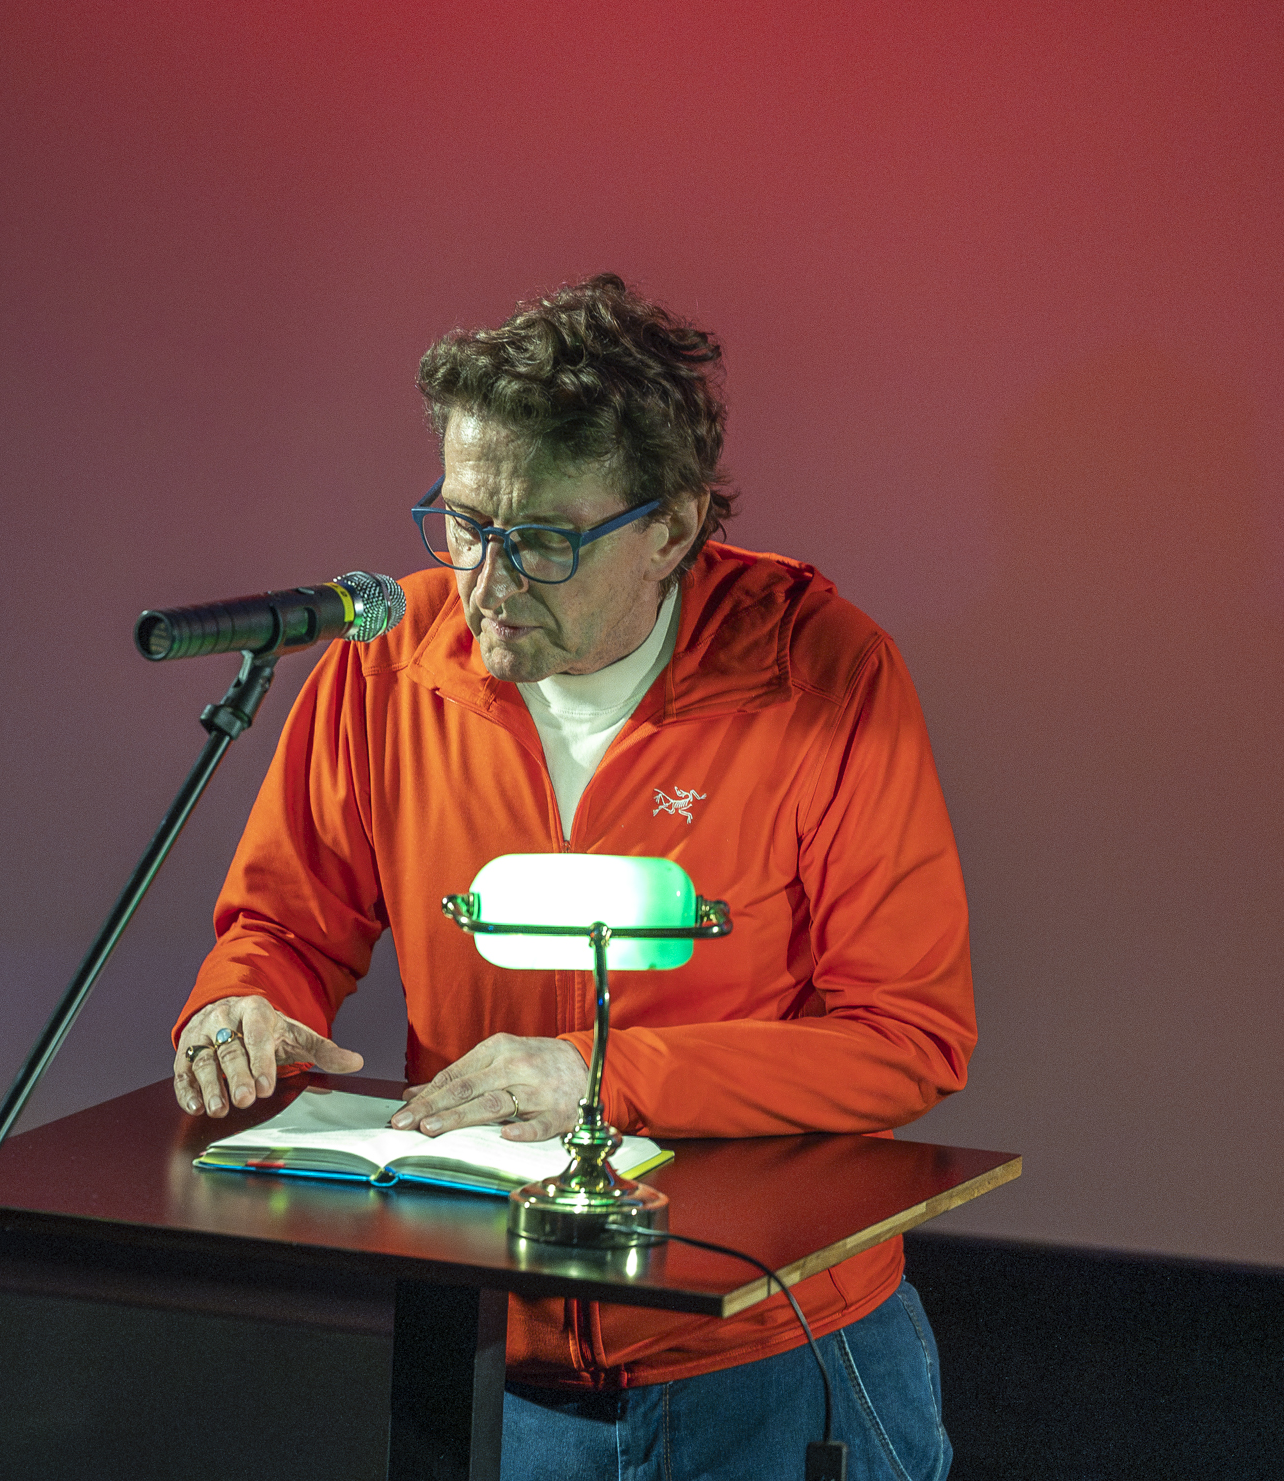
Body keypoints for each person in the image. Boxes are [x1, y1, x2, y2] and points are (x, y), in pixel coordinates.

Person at [169, 274, 975, 1480]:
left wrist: (599, 1077)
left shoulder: (821, 669)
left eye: (542, 541)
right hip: (488, 1349)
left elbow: (907, 1039)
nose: (487, 584)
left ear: (672, 525)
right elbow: (282, 926)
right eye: (462, 522)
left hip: (773, 1351)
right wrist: (240, 1003)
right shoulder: (384, 663)